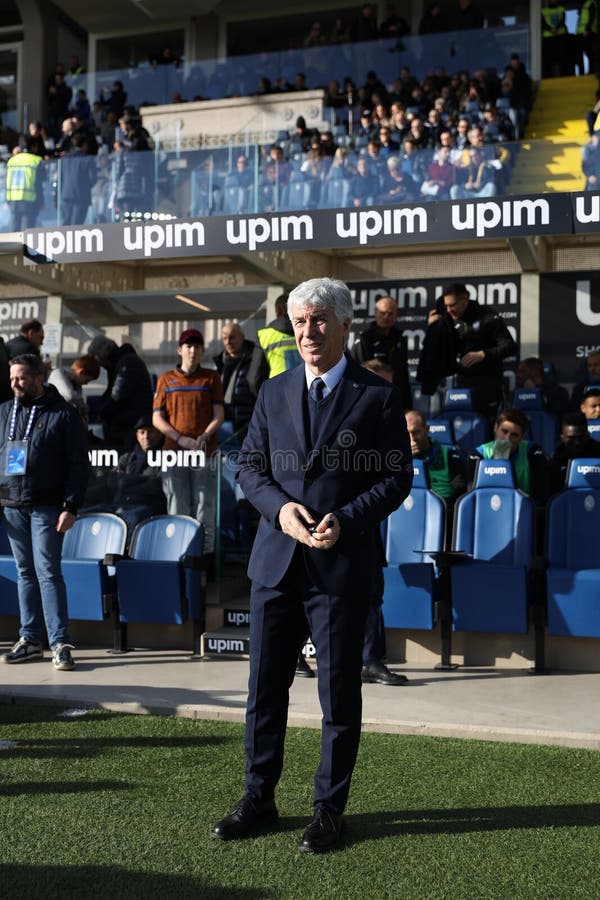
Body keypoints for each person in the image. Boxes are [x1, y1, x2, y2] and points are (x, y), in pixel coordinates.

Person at [211, 277, 413, 852]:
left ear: (346, 325)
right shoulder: (273, 392)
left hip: (341, 566)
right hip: (276, 562)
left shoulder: (377, 395)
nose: (308, 331)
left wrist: (345, 519)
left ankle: (328, 810)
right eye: (299, 321)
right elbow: (250, 469)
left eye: (320, 319)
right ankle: (258, 796)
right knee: (263, 691)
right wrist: (282, 513)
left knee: (338, 696)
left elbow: (397, 477)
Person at [0, 354, 88, 671]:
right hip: (11, 506)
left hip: (47, 506)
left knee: (48, 573)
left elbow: (79, 464)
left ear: (40, 377)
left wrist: (71, 505)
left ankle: (60, 643)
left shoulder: (63, 414)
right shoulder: (4, 412)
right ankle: (30, 639)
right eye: (12, 377)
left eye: (21, 377)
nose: (15, 383)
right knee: (24, 573)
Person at [152, 328, 224, 557]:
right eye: (188, 346)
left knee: (205, 507)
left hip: (205, 451)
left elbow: (219, 414)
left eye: (197, 347)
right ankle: (178, 558)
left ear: (202, 351)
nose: (193, 351)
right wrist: (180, 438)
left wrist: (204, 436)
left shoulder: (212, 378)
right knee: (177, 506)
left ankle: (203, 562)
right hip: (173, 452)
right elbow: (157, 418)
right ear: (180, 350)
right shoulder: (166, 379)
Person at [417, 282, 516, 422]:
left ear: (465, 300)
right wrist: (433, 325)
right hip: (460, 382)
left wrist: (483, 354)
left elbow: (510, 346)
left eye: (452, 305)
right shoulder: (446, 316)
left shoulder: (487, 317)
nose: (449, 309)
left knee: (487, 426)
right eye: (446, 305)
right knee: (461, 425)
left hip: (487, 382)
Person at [82, 415, 167, 536]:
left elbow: (155, 486)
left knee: (133, 517)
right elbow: (112, 481)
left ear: (160, 434)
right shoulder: (127, 458)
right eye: (142, 432)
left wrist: (124, 482)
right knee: (82, 514)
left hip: (144, 509)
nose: (146, 436)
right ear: (137, 436)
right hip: (117, 505)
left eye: (150, 431)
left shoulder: (165, 459)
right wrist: (139, 482)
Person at [470, 408, 549, 509]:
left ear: (521, 437)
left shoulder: (532, 452)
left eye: (514, 435)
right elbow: (472, 494)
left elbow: (541, 494)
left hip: (521, 509)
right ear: (495, 427)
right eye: (504, 431)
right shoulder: (479, 454)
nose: (507, 438)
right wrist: (498, 460)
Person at [87, 335, 153, 452]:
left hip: (130, 426)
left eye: (98, 360)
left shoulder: (125, 363)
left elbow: (117, 396)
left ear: (103, 355)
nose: (100, 365)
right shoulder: (121, 362)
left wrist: (102, 414)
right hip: (129, 423)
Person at [351, 295, 412, 410]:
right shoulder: (364, 339)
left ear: (396, 315)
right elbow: (357, 373)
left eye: (390, 313)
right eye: (382, 313)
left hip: (396, 397)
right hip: (372, 398)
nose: (386, 317)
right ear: (375, 313)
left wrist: (407, 406)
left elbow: (403, 375)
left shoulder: (400, 339)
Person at [404, 410, 467, 513]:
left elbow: (459, 492)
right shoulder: (398, 457)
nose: (412, 438)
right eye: (407, 433)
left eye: (416, 432)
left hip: (441, 512)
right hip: (407, 509)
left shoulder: (450, 456)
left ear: (427, 429)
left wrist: (438, 506)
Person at [213, 323, 268, 437]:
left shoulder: (255, 359)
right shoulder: (219, 362)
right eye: (225, 338)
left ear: (242, 337)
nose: (228, 342)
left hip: (248, 423)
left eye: (232, 337)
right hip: (224, 422)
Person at [548, 411, 600, 496]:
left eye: (581, 437)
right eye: (571, 438)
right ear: (562, 437)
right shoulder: (556, 459)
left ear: (587, 434)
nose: (577, 443)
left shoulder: (598, 453)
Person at [47, 354, 100, 424]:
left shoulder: (77, 386)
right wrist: (83, 408)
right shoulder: (58, 373)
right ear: (81, 372)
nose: (86, 384)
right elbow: (69, 395)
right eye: (86, 380)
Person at [257, 294, 302, 376]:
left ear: (278, 311)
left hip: (277, 386)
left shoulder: (264, 335)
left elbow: (256, 374)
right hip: (306, 385)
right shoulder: (306, 330)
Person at [5, 140, 44, 231]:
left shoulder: (12, 160)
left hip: (13, 198)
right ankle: (24, 245)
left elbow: (8, 180)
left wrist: (8, 200)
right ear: (33, 147)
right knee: (27, 231)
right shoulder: (36, 160)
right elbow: (39, 183)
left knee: (14, 228)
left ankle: (13, 245)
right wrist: (41, 200)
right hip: (29, 200)